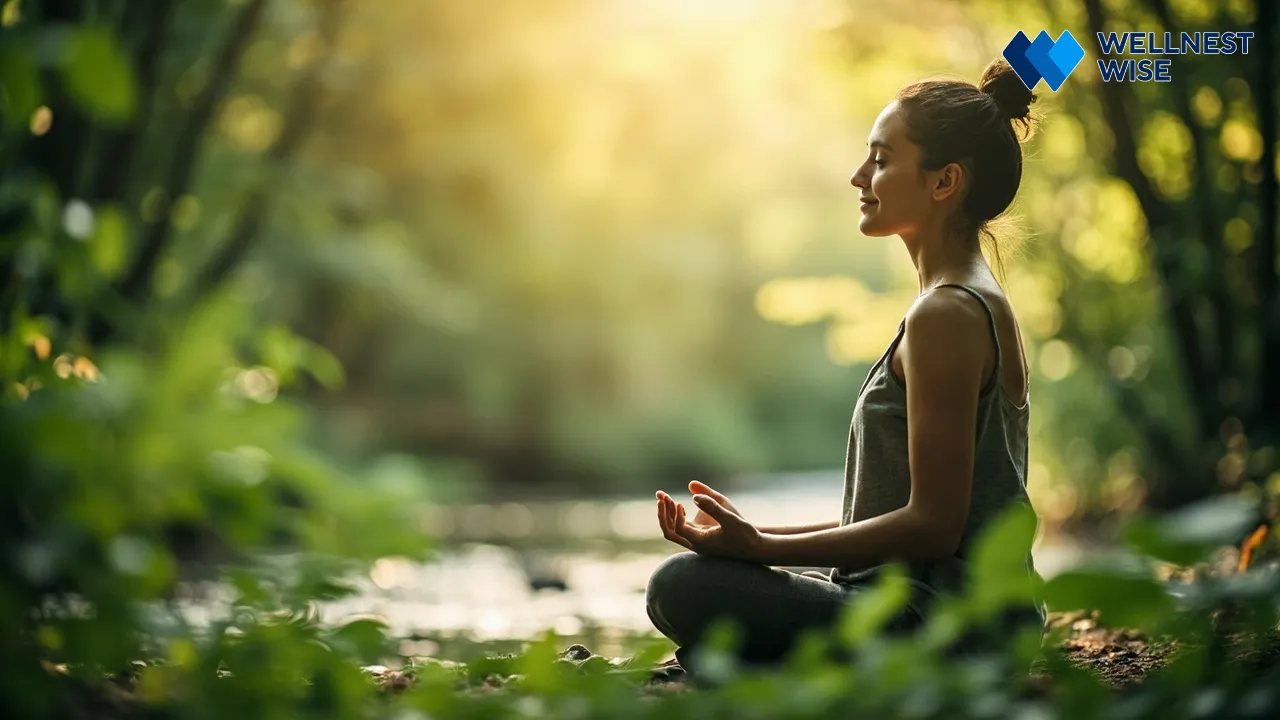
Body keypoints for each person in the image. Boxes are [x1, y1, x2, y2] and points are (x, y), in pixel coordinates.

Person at [645, 57, 1047, 671]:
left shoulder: (948, 315)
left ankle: (762, 663)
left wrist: (757, 554)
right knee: (701, 584)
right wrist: (759, 541)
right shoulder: (968, 301)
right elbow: (906, 514)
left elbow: (934, 527)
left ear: (945, 183)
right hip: (937, 614)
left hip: (938, 624)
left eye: (882, 159)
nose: (859, 176)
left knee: (679, 587)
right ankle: (760, 661)